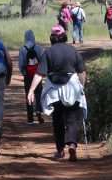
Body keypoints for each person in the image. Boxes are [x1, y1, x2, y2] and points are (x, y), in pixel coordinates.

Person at [27, 26, 87, 162]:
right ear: (64, 36)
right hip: (72, 88)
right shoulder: (72, 50)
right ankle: (72, 144)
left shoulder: (48, 53)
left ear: (52, 37)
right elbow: (82, 72)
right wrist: (82, 87)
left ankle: (60, 151)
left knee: (58, 120)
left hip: (54, 90)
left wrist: (31, 90)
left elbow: (39, 74)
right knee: (72, 117)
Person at [18, 29, 46, 124]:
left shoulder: (22, 49)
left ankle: (30, 118)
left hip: (28, 75)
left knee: (28, 94)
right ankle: (39, 114)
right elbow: (43, 61)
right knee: (38, 94)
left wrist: (24, 73)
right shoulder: (39, 48)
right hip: (37, 74)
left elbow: (21, 64)